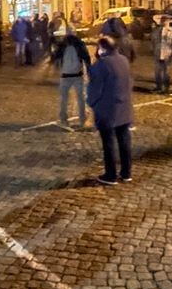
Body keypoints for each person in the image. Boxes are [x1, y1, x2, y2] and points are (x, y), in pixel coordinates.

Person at [87, 38, 134, 185]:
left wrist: (91, 102)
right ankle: (126, 173)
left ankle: (111, 174)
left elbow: (95, 88)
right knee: (124, 141)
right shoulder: (124, 60)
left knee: (108, 143)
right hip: (124, 107)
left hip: (107, 109)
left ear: (102, 48)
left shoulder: (101, 65)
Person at [52, 25, 91, 129]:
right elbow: (86, 58)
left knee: (64, 98)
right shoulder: (79, 44)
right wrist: (89, 71)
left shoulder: (62, 44)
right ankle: (82, 118)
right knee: (80, 98)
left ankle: (63, 118)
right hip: (77, 74)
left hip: (65, 74)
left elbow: (56, 57)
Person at [150, 15, 172, 95]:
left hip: (168, 54)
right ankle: (158, 87)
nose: (164, 22)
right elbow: (153, 42)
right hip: (158, 53)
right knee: (157, 72)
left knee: (167, 72)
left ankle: (166, 89)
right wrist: (152, 50)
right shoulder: (156, 31)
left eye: (166, 20)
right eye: (163, 20)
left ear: (169, 21)